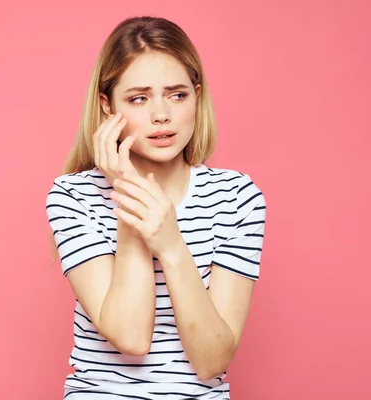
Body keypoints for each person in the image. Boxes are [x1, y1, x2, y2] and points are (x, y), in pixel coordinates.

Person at [45, 16, 266, 399]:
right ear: (106, 104)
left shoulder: (237, 196)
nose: (161, 114)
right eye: (139, 98)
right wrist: (127, 192)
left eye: (178, 94)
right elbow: (131, 336)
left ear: (197, 96)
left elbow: (211, 360)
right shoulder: (72, 196)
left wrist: (171, 245)